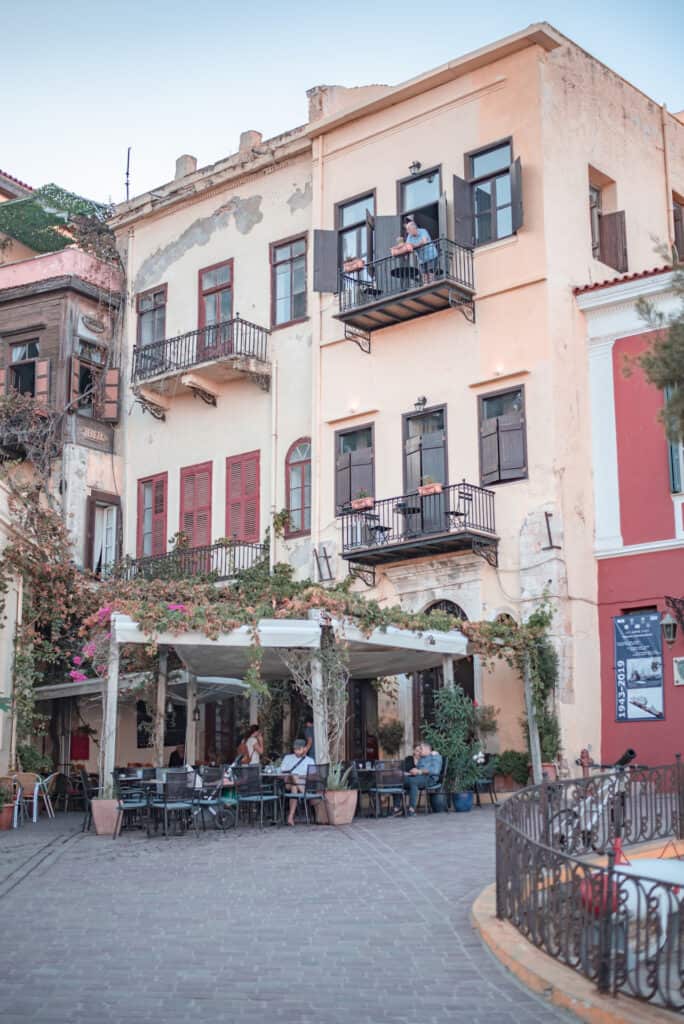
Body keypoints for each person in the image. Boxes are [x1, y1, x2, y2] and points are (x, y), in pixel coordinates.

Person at [394, 741, 443, 817]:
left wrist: (419, 771)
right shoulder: (422, 758)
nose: (419, 750)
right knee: (399, 781)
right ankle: (396, 809)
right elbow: (418, 770)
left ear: (427, 749)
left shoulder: (435, 756)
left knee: (413, 782)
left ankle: (411, 810)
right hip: (419, 777)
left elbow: (435, 771)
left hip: (430, 779)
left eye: (421, 748)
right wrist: (410, 773)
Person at [280, 739, 315, 826]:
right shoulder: (287, 758)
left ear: (304, 749)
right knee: (293, 776)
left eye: (298, 749)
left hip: (303, 783)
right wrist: (292, 776)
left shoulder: (310, 760)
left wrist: (299, 777)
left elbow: (313, 776)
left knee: (294, 787)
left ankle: (290, 817)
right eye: (295, 749)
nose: (296, 751)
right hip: (288, 782)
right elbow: (281, 772)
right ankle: (303, 792)